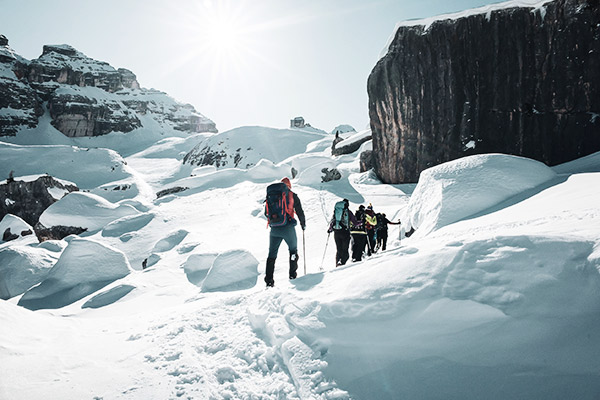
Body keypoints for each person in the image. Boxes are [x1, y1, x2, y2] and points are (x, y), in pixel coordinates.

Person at [264, 177, 306, 287]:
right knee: (293, 251)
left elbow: (266, 212)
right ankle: (292, 276)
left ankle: (269, 281)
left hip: (274, 229)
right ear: (289, 186)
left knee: (271, 255)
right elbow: (300, 211)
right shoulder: (292, 195)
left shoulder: (273, 195)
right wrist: (303, 224)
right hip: (288, 228)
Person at [327, 199, 360, 266]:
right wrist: (361, 222)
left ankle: (338, 262)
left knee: (339, 249)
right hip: (345, 232)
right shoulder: (348, 212)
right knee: (345, 249)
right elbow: (355, 223)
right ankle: (342, 263)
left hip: (336, 232)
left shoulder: (336, 211)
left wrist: (330, 229)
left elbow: (333, 221)